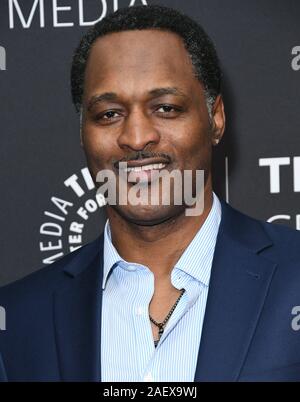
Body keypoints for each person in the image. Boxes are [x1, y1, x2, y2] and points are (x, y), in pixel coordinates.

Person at [1, 5, 300, 382]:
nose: (137, 137)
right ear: (83, 134)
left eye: (166, 108)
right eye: (109, 114)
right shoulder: (16, 321)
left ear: (216, 119)